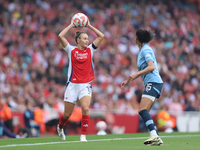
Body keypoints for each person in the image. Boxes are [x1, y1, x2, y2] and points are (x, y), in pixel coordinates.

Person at [57, 17, 104, 142]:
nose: (87, 40)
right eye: (84, 38)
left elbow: (101, 36)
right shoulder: (70, 49)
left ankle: (83, 136)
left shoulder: (91, 49)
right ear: (78, 40)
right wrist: (72, 25)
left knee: (85, 108)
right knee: (67, 114)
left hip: (85, 85)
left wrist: (89, 26)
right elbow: (61, 36)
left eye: (88, 38)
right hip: (72, 85)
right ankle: (60, 127)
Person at [121, 29, 163, 146]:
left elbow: (151, 67)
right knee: (146, 112)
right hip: (154, 83)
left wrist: (136, 74)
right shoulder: (142, 51)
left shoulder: (146, 49)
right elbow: (142, 70)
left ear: (136, 38)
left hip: (153, 82)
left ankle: (154, 135)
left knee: (142, 110)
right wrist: (128, 79)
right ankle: (156, 137)